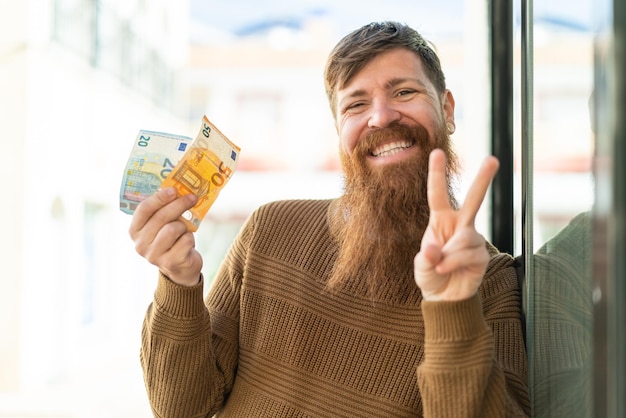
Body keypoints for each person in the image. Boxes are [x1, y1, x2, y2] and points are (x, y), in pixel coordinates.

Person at [129, 21, 530, 417]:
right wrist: (178, 280)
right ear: (339, 129)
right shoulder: (270, 229)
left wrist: (451, 308)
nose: (381, 117)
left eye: (404, 92)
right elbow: (181, 406)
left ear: (446, 109)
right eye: (356, 104)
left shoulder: (488, 282)